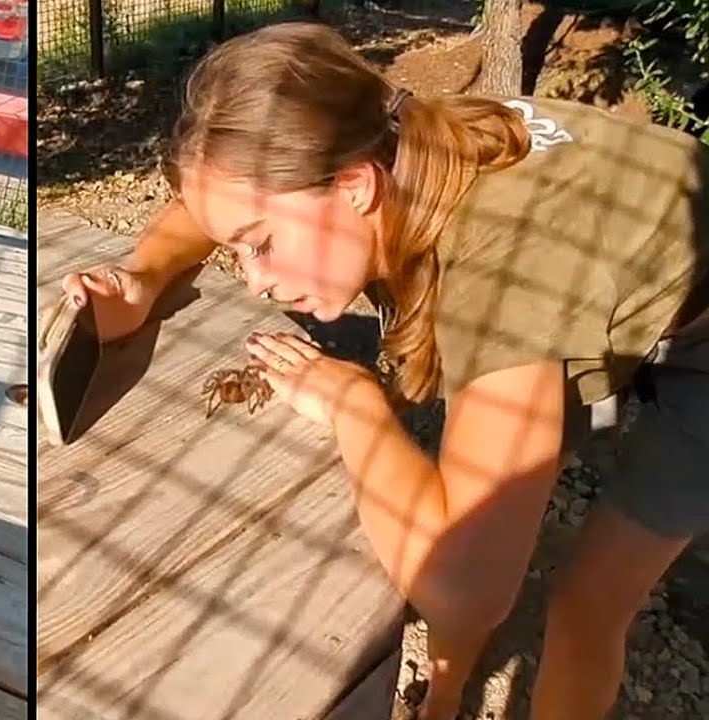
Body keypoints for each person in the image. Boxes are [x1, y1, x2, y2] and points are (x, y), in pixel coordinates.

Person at [59, 21, 709, 720]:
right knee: (483, 495)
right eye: (239, 252)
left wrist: (354, 404)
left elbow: (466, 584)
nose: (255, 283)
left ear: (355, 186)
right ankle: (444, 697)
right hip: (617, 261)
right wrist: (143, 279)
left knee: (585, 604)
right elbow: (207, 211)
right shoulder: (391, 142)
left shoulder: (498, 282)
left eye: (264, 247)